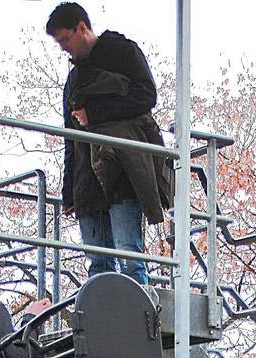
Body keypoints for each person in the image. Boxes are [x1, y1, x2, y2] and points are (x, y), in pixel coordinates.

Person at [46, 3, 172, 285]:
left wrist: (95, 114)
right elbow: (71, 138)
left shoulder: (123, 52)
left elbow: (146, 96)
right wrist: (69, 192)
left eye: (65, 39)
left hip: (123, 170)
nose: (64, 48)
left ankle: (136, 319)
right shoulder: (73, 80)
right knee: (98, 262)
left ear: (81, 28)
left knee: (130, 255)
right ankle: (104, 320)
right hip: (87, 180)